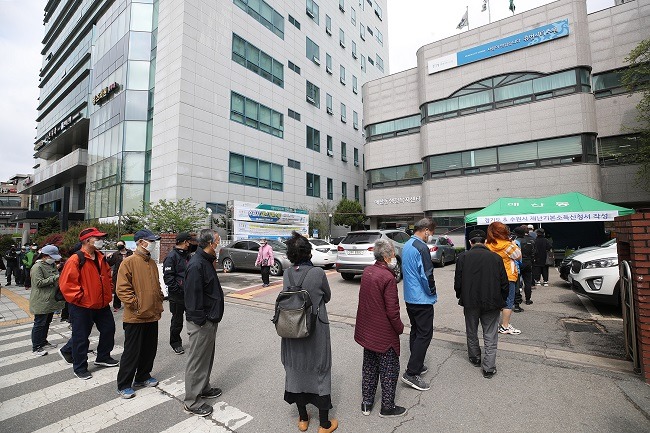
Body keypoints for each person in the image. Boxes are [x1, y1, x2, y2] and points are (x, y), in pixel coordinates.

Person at [280, 232, 337, 433]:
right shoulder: (318, 273)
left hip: (291, 328)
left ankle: (303, 419)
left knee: (296, 369)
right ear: (308, 252)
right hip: (315, 329)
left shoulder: (287, 274)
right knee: (320, 368)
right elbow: (326, 296)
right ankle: (324, 424)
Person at [355, 239, 406, 418]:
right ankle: (387, 407)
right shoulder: (387, 278)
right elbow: (393, 311)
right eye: (392, 253)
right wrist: (399, 328)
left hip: (367, 330)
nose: (394, 256)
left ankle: (367, 403)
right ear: (385, 256)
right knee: (389, 369)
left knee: (369, 366)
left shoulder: (367, 272)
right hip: (383, 333)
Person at [58, 227, 119, 380]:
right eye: (97, 238)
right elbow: (67, 284)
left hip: (101, 303)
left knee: (108, 329)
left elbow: (107, 276)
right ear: (86, 240)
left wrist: (108, 290)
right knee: (81, 337)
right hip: (82, 305)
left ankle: (103, 356)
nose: (101, 241)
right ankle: (79, 367)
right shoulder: (75, 259)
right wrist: (81, 298)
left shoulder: (100, 257)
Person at [115, 229, 164, 399]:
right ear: (141, 242)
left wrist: (159, 299)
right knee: (132, 352)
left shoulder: (151, 263)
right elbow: (122, 289)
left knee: (149, 349)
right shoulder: (128, 262)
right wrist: (136, 305)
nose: (153, 244)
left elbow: (156, 285)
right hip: (135, 316)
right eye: (150, 241)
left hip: (152, 313)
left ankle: (143, 376)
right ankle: (123, 384)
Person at [454, 230, 509, 379]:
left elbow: (458, 282)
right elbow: (504, 282)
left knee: (471, 330)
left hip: (470, 301)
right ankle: (489, 368)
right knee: (490, 333)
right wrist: (502, 300)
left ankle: (475, 357)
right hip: (492, 301)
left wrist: (460, 295)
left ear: (470, 242)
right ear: (485, 242)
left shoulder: (463, 257)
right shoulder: (496, 257)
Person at [183, 229, 225, 417]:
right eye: (217, 240)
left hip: (209, 319)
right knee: (197, 360)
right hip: (201, 322)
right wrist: (200, 320)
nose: (219, 243)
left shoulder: (206, 261)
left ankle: (203, 387)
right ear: (209, 243)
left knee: (206, 357)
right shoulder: (196, 264)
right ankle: (191, 401)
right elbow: (192, 297)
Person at [401, 218, 437, 392]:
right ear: (426, 230)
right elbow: (427, 274)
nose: (431, 236)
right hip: (421, 298)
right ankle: (412, 372)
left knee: (416, 331)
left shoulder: (407, 244)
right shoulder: (421, 247)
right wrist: (432, 292)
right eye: (432, 233)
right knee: (424, 334)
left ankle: (417, 364)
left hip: (410, 296)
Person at [485, 222, 522, 336]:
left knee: (495, 301)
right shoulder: (508, 245)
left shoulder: (487, 244)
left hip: (492, 277)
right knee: (508, 302)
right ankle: (505, 326)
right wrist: (513, 243)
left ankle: (493, 325)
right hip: (508, 276)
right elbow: (518, 256)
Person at [29, 245, 65, 356]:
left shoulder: (51, 265)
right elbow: (38, 283)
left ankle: (43, 342)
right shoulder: (37, 267)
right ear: (45, 256)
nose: (53, 259)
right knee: (39, 323)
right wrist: (56, 277)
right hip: (41, 300)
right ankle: (36, 347)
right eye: (52, 257)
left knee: (47, 322)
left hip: (50, 299)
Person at [163, 232, 195, 355]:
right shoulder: (171, 257)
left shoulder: (188, 255)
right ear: (185, 242)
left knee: (193, 319)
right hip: (177, 296)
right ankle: (176, 343)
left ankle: (194, 341)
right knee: (177, 321)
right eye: (189, 241)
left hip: (189, 294)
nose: (190, 244)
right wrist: (178, 290)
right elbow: (168, 278)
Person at [106, 240, 133, 311]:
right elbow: (109, 264)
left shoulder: (130, 253)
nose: (119, 246)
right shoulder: (115, 254)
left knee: (130, 288)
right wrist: (108, 257)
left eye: (120, 244)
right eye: (118, 245)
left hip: (129, 273)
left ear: (124, 245)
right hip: (118, 274)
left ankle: (130, 304)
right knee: (117, 290)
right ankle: (116, 306)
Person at [514, 225, 536, 307]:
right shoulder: (532, 240)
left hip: (518, 262)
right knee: (528, 282)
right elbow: (534, 252)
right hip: (528, 262)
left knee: (517, 282)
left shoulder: (516, 241)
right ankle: (528, 299)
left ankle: (517, 301)